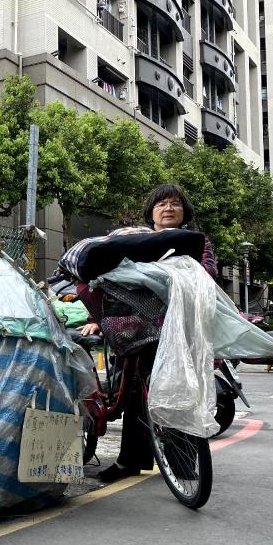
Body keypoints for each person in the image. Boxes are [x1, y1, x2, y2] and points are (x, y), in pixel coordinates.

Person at [79, 183, 218, 483]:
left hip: (180, 329)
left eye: (174, 204)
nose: (168, 208)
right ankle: (130, 461)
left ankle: (183, 463)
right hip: (136, 327)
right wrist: (95, 318)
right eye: (161, 204)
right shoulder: (132, 239)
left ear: (184, 212)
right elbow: (109, 281)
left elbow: (207, 274)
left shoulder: (195, 242)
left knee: (182, 391)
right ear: (151, 212)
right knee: (132, 393)